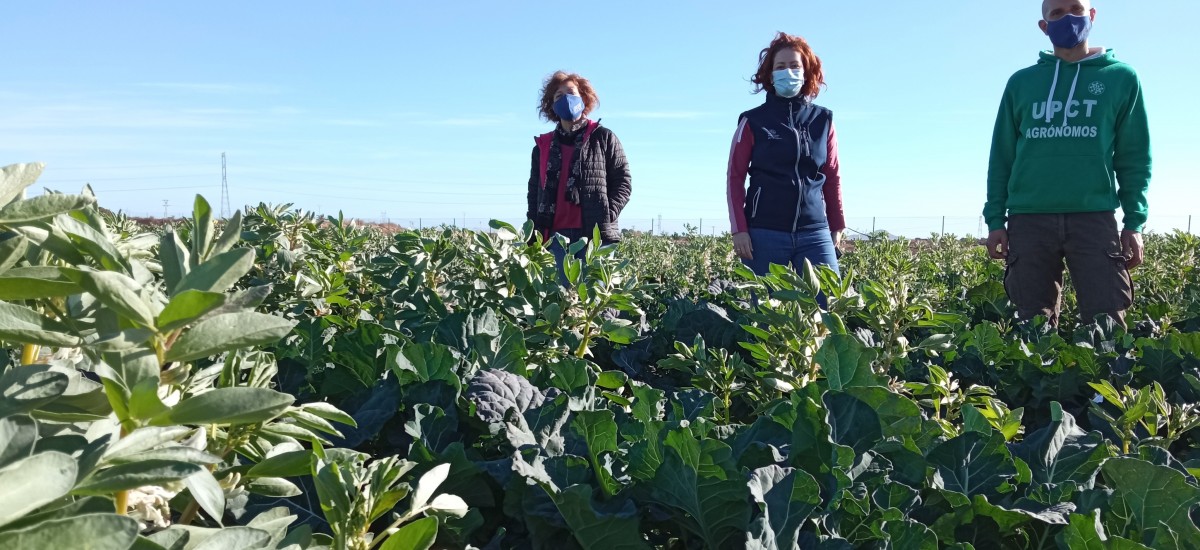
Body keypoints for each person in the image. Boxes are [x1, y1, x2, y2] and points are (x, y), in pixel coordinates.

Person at [984, 0, 1151, 327]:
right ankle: (1037, 381)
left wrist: (1135, 221)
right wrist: (994, 219)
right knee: (1031, 328)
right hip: (1029, 219)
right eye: (1056, 13)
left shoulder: (1121, 78)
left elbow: (1134, 156)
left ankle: (1106, 380)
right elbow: (1001, 157)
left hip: (1094, 218)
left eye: (1075, 9)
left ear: (1091, 16)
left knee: (1107, 326)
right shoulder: (1021, 83)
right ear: (1044, 27)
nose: (1067, 18)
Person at [726, 32, 845, 282]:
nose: (788, 71)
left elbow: (832, 175)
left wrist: (837, 224)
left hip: (814, 231)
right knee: (765, 311)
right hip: (764, 231)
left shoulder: (823, 121)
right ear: (770, 74)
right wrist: (740, 230)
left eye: (794, 65)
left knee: (829, 303)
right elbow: (735, 178)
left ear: (806, 71)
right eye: (780, 66)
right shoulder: (752, 121)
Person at [526, 71, 631, 284]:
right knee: (562, 306)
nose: (565, 99)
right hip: (555, 238)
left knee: (595, 304)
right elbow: (533, 191)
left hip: (595, 236)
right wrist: (532, 231)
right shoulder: (543, 146)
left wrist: (607, 214)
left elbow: (623, 181)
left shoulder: (603, 137)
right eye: (558, 96)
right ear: (552, 106)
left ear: (583, 97)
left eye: (571, 92)